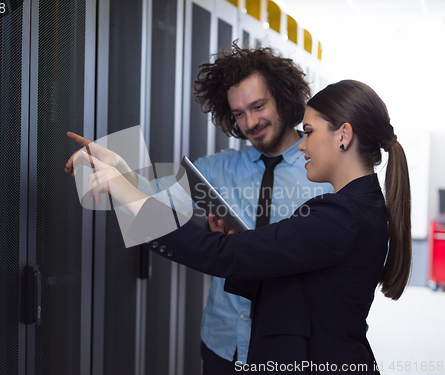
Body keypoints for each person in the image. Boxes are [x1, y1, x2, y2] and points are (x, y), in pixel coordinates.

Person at [76, 79, 412, 374]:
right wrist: (126, 175)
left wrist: (122, 190)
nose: (304, 144)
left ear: (344, 135)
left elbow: (224, 256)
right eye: (239, 112)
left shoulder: (341, 215)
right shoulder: (357, 207)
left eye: (309, 132)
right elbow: (305, 288)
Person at [65, 43, 332, 373]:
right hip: (223, 341)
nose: (250, 122)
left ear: (283, 96)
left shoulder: (321, 173)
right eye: (238, 113)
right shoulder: (218, 168)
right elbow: (157, 204)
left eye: (258, 106)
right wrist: (120, 168)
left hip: (291, 347)